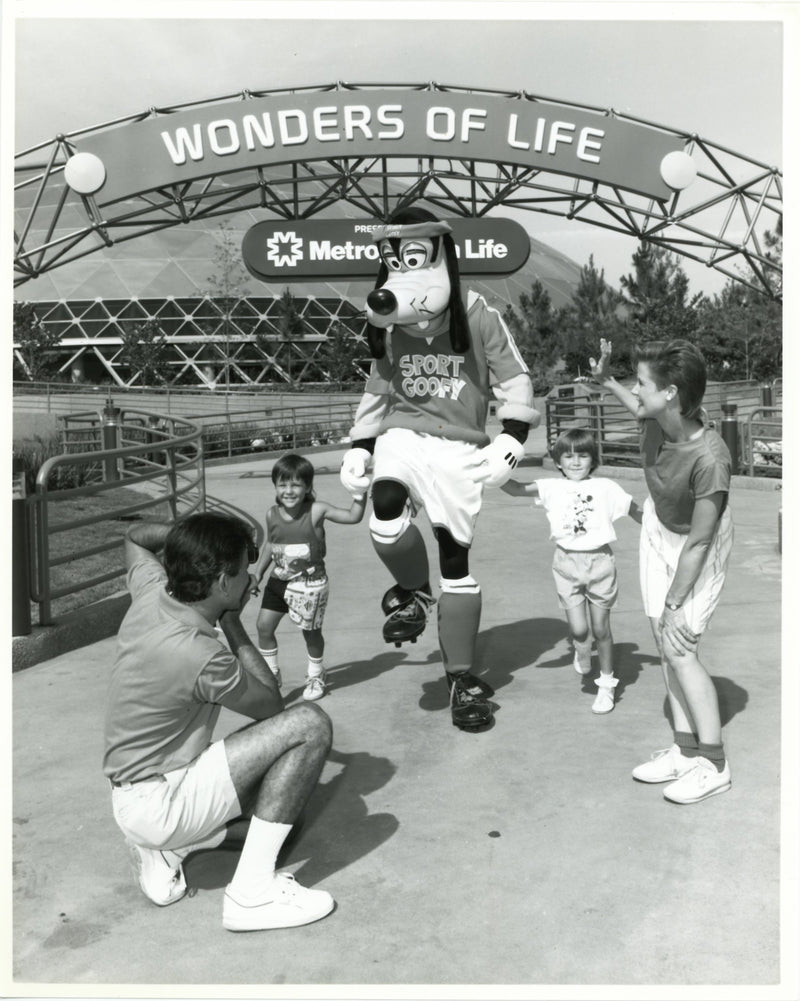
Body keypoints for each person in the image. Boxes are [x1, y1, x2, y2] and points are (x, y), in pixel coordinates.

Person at [339, 204, 540, 731]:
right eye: (394, 263)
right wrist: (361, 444)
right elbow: (378, 388)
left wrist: (511, 439)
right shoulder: (387, 325)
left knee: (456, 562)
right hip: (405, 434)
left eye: (412, 259)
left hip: (459, 449)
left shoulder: (476, 313)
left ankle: (461, 676)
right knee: (384, 514)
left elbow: (514, 380)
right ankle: (412, 590)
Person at [103, 511, 336, 931]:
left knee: (283, 815)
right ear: (224, 583)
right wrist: (232, 621)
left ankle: (166, 849)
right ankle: (251, 896)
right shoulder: (197, 653)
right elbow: (270, 704)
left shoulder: (154, 590)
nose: (251, 581)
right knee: (310, 725)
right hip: (160, 803)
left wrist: (189, 541)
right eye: (244, 574)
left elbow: (134, 539)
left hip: (137, 794)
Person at [588, 337, 734, 803]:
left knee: (681, 647)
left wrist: (675, 603)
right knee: (663, 645)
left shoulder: (710, 459)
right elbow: (635, 407)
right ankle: (685, 750)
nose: (637, 391)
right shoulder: (655, 414)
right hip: (658, 527)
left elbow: (700, 542)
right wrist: (606, 379)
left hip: (697, 543)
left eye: (642, 383)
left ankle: (714, 764)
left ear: (670, 392)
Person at [501, 427, 642, 713]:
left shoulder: (606, 487)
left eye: (583, 456)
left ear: (593, 460)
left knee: (601, 628)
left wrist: (664, 529)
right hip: (566, 563)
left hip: (600, 562)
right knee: (579, 630)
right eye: (568, 456)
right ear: (558, 461)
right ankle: (580, 648)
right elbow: (514, 489)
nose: (576, 462)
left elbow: (636, 510)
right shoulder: (551, 486)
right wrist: (491, 468)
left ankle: (606, 685)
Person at [251, 452, 367, 701]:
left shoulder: (317, 511)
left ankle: (315, 674)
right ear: (275, 486)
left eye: (295, 484)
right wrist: (258, 574)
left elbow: (353, 516)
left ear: (307, 487)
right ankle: (271, 676)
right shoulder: (272, 514)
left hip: (309, 585)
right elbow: (271, 545)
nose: (289, 490)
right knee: (263, 626)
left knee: (310, 633)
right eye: (282, 484)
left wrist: (360, 492)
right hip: (278, 582)